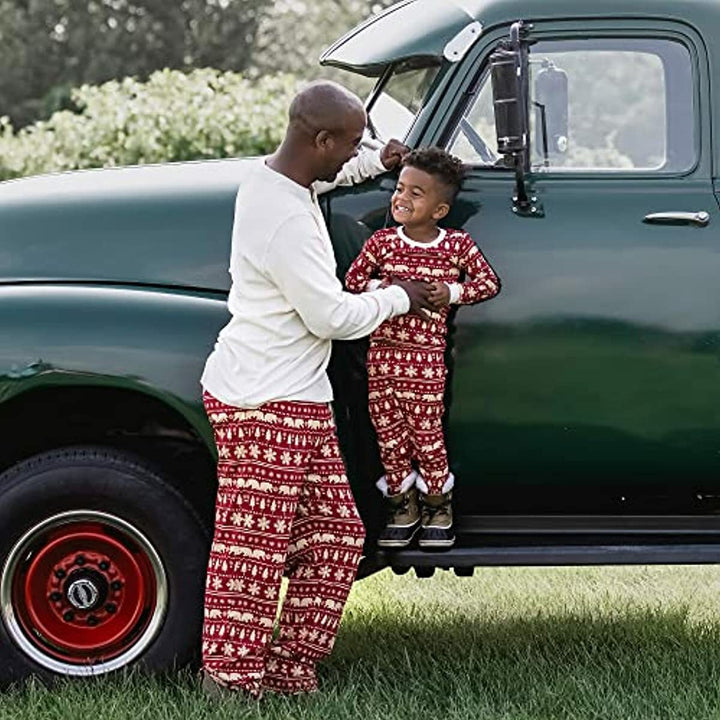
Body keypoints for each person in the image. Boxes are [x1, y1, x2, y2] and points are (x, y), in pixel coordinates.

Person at [199, 80, 435, 698]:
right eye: (353, 141)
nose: (358, 149)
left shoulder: (280, 180)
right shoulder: (284, 221)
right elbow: (330, 317)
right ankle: (230, 681)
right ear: (320, 139)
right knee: (253, 546)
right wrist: (400, 296)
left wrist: (374, 163)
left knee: (336, 536)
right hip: (264, 400)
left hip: (296, 394)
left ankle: (289, 673)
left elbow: (326, 178)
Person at [345, 147, 501, 550]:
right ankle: (402, 507)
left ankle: (437, 505)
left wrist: (450, 292)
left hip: (426, 364)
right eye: (400, 188)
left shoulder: (456, 246)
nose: (402, 198)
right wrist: (389, 289)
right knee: (389, 437)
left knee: (426, 434)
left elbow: (487, 284)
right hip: (383, 359)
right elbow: (351, 283)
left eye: (417, 193)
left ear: (439, 210)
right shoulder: (381, 244)